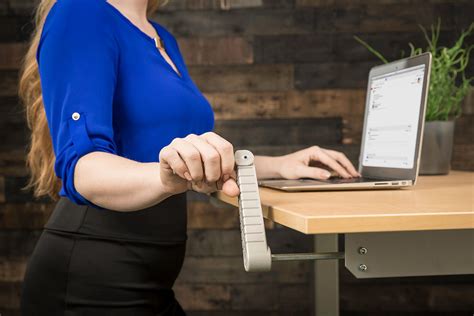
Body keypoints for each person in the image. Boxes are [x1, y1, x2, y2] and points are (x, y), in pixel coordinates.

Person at [18, 0, 360, 315]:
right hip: (91, 282)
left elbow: (185, 157)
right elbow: (85, 169)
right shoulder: (81, 11)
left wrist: (280, 165)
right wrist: (165, 178)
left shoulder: (160, 36)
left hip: (150, 280)